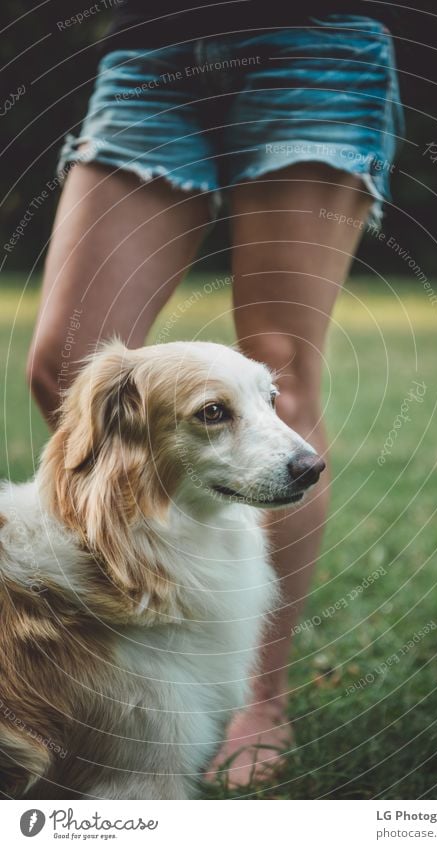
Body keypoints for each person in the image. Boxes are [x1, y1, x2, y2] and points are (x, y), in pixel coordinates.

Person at [27, 0, 404, 788]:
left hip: (315, 39)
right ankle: (99, 634)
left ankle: (257, 696)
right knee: (65, 369)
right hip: (150, 46)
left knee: (281, 379)